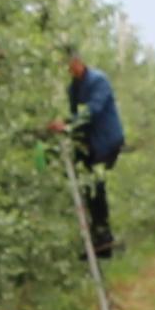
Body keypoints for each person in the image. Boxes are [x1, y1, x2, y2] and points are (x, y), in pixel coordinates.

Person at [60, 47, 127, 259]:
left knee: (95, 182)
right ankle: (97, 236)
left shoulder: (99, 81)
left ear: (78, 62)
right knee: (84, 181)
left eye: (71, 65)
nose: (70, 69)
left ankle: (103, 234)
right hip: (90, 143)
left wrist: (67, 124)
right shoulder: (74, 88)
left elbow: (92, 110)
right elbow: (76, 116)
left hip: (107, 142)